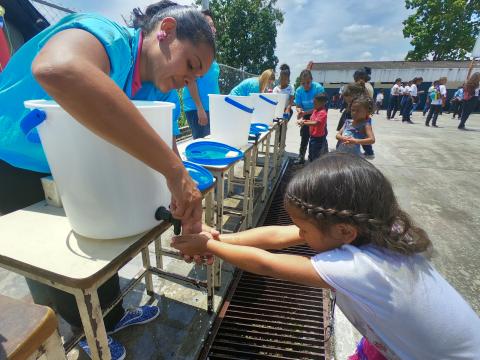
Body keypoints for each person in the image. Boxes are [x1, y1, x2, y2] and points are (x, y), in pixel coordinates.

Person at [0, 1, 215, 358]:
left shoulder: (156, 88)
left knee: (95, 240)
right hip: (11, 159)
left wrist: (192, 213)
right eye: (190, 65)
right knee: (49, 261)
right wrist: (176, 174)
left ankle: (111, 318)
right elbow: (57, 69)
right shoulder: (106, 36)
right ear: (166, 30)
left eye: (195, 78)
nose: (187, 81)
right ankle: (83, 331)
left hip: (63, 165)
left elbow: (166, 145)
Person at [171, 153, 480, 360]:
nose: (298, 235)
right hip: (399, 343)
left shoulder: (363, 269)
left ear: (344, 231)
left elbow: (266, 264)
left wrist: (207, 247)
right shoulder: (380, 226)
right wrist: (218, 237)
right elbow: (278, 236)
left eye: (304, 229)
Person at [182, 9, 219, 139]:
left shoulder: (210, 54)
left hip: (210, 108)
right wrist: (200, 108)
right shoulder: (195, 51)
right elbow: (190, 80)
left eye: (213, 25)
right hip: (197, 108)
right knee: (202, 148)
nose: (213, 28)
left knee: (211, 144)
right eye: (209, 25)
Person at [294, 69, 325, 165]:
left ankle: (320, 157)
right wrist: (299, 111)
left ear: (312, 79)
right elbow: (298, 105)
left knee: (319, 136)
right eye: (303, 83)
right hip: (306, 114)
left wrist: (304, 113)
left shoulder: (318, 88)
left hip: (318, 112)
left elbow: (321, 105)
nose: (306, 86)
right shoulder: (299, 91)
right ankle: (301, 156)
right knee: (304, 136)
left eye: (308, 82)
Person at [297, 94, 328, 162]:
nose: (314, 104)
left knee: (315, 156)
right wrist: (305, 120)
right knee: (311, 154)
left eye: (315, 103)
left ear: (322, 103)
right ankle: (311, 166)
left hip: (318, 139)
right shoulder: (315, 110)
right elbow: (312, 120)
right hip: (313, 137)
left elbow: (316, 123)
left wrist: (303, 123)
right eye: (313, 102)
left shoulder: (322, 112)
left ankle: (314, 169)